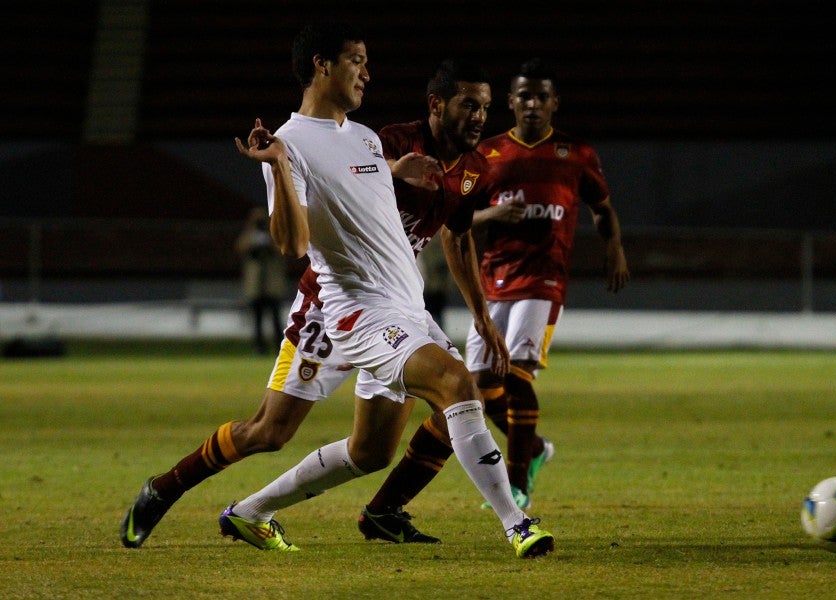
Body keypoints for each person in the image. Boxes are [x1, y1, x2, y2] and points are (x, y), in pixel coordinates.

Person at [121, 23, 553, 559]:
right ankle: (164, 489)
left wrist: (395, 174)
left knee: (373, 450)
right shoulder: (293, 142)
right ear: (322, 65)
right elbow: (293, 242)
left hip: (402, 308)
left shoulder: (369, 139)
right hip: (338, 310)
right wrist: (278, 166)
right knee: (273, 429)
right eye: (357, 60)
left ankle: (257, 512)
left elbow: (389, 209)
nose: (368, 72)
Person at [357, 56, 630, 524]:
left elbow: (602, 206)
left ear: (554, 103)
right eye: (524, 95)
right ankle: (531, 450)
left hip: (543, 281)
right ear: (512, 101)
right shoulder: (488, 156)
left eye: (542, 96)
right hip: (492, 280)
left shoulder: (574, 153)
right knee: (475, 393)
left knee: (518, 375)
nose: (533, 104)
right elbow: (457, 224)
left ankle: (519, 484)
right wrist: (493, 218)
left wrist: (615, 247)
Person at [235, 206, 289, 353]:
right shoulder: (249, 234)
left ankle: (279, 345)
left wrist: (269, 239)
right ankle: (259, 347)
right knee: (257, 319)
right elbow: (240, 247)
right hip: (256, 286)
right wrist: (253, 233)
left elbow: (283, 249)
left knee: (275, 318)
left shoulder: (274, 234)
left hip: (272, 285)